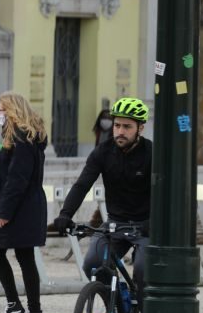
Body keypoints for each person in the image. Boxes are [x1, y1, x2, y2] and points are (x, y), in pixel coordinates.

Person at [53, 97, 151, 296]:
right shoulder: (103, 152)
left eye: (127, 127)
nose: (120, 131)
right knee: (92, 265)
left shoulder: (152, 153)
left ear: (140, 128)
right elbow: (82, 185)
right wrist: (65, 214)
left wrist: (154, 222)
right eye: (117, 125)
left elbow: (163, 192)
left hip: (146, 226)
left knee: (143, 271)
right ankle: (117, 302)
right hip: (115, 225)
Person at [0, 92, 48, 313]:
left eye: (1, 111)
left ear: (13, 111)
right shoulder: (19, 137)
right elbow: (12, 168)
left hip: (22, 207)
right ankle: (15, 306)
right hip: (22, 205)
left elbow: (18, 179)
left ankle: (34, 312)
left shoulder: (23, 139)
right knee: (3, 252)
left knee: (19, 255)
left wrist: (5, 213)